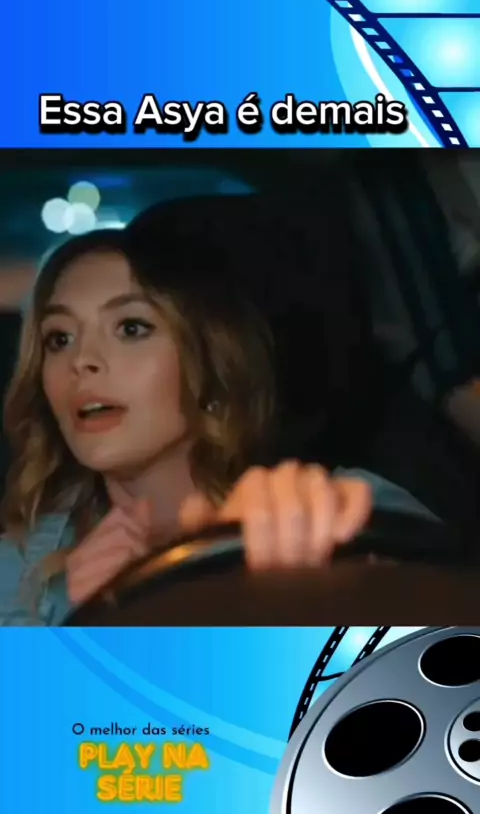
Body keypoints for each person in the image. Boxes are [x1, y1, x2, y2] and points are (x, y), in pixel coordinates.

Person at [0, 209, 437, 626]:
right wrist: (84, 631)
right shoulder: (17, 568)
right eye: (59, 339)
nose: (81, 361)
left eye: (131, 328)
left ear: (211, 363)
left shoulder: (341, 507)